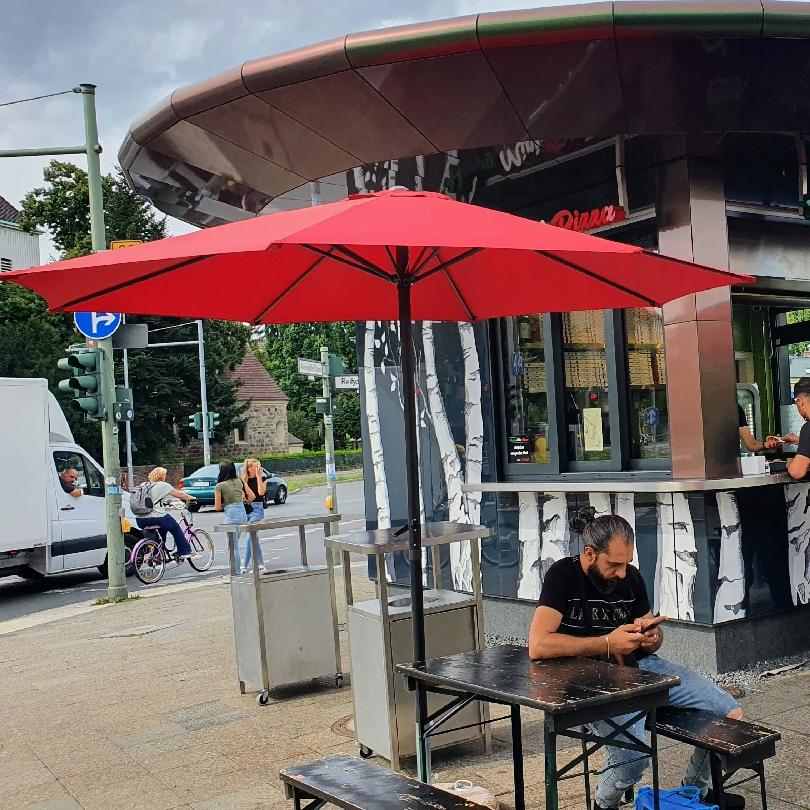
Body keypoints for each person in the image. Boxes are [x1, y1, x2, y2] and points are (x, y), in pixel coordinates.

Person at [528, 508, 745, 810]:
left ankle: (693, 794)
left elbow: (648, 638)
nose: (621, 573)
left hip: (638, 668)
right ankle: (604, 805)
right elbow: (537, 645)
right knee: (633, 756)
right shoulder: (562, 575)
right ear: (589, 554)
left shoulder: (630, 577)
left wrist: (652, 637)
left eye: (626, 563)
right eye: (613, 565)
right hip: (583, 680)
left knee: (730, 716)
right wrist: (606, 643)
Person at [135, 467, 196, 559]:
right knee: (175, 528)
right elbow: (180, 495)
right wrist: (192, 498)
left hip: (140, 519)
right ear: (161, 477)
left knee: (163, 529)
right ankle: (185, 551)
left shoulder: (144, 485)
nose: (166, 478)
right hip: (156, 517)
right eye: (165, 476)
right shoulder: (163, 485)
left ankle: (157, 554)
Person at [214, 461, 260, 571]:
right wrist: (242, 500)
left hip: (231, 515)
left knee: (233, 547)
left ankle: (236, 573)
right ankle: (237, 571)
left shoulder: (220, 486)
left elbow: (217, 507)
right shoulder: (240, 481)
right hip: (242, 513)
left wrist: (227, 503)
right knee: (235, 544)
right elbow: (252, 496)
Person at [783, 377, 810, 480]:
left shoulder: (808, 428)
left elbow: (797, 472)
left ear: (800, 401)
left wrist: (790, 463)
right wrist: (800, 440)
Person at [242, 457, 267, 527]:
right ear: (249, 469)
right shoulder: (243, 480)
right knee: (252, 534)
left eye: (260, 466)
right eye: (257, 467)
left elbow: (261, 493)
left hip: (257, 507)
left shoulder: (263, 479)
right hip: (245, 507)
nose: (259, 469)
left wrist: (259, 477)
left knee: (251, 533)